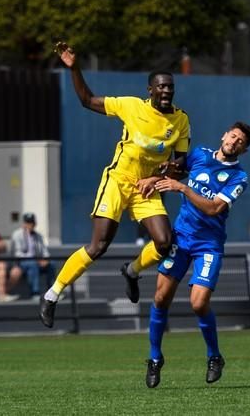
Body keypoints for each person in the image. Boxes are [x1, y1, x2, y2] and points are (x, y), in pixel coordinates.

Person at [40, 42, 190, 328]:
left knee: (164, 242)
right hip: (118, 181)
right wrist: (75, 68)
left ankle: (132, 272)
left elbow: (180, 165)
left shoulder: (181, 120)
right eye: (161, 87)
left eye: (170, 87)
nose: (167, 91)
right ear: (150, 90)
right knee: (99, 246)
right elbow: (87, 100)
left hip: (147, 187)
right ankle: (52, 294)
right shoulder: (131, 106)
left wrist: (161, 175)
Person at [143, 121, 250, 388]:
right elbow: (174, 175)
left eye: (241, 141)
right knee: (160, 298)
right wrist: (154, 179)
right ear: (224, 135)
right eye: (233, 136)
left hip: (209, 244)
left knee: (198, 303)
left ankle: (214, 356)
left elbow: (215, 208)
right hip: (181, 238)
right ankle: (155, 358)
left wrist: (183, 189)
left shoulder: (239, 177)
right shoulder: (199, 155)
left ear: (245, 149)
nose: (234, 142)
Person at [11, 213, 56, 299]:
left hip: (37, 261)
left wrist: (46, 259)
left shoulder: (38, 236)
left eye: (32, 222)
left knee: (52, 264)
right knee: (33, 264)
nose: (30, 225)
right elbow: (17, 253)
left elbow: (44, 251)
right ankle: (35, 292)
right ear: (23, 223)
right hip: (22, 262)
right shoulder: (17, 234)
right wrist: (36, 260)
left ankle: (52, 291)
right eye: (28, 222)